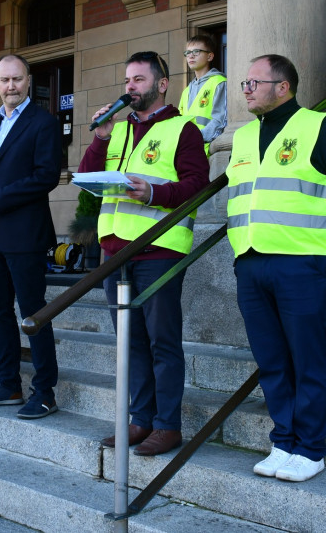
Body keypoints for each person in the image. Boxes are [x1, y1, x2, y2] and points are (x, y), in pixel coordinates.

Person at [227, 55, 326, 482]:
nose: (246, 88)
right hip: (250, 263)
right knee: (271, 360)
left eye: (254, 81)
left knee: (306, 358)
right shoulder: (245, 136)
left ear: (282, 86)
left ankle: (311, 447)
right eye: (244, 82)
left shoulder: (318, 127)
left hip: (301, 262)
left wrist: (321, 236)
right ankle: (283, 439)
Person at [80, 50, 209, 456]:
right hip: (115, 251)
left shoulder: (183, 129)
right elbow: (85, 175)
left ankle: (167, 426)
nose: (130, 88)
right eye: (127, 82)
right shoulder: (116, 130)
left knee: (161, 342)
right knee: (129, 342)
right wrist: (100, 137)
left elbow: (197, 186)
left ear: (161, 84)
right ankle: (140, 420)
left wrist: (155, 193)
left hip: (158, 249)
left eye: (137, 80)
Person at [0, 54, 63, 419]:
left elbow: (45, 176)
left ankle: (44, 391)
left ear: (28, 80)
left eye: (17, 79)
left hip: (25, 234)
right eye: (4, 80)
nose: (11, 86)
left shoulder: (44, 122)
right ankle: (8, 384)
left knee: (34, 314)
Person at [178, 32, 227, 155]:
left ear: (209, 56)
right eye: (188, 53)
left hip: (206, 151)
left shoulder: (219, 82)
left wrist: (196, 139)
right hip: (187, 151)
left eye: (196, 52)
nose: (191, 56)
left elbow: (220, 120)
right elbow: (179, 122)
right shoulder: (186, 90)